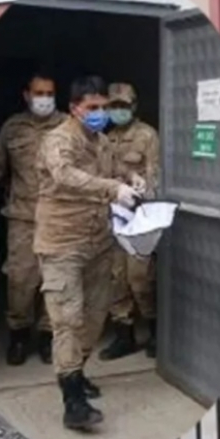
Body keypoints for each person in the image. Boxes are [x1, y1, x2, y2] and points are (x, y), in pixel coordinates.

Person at [33, 75, 140, 431]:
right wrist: (113, 188)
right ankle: (73, 401)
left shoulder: (103, 142)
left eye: (103, 107)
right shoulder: (58, 140)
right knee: (67, 319)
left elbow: (117, 169)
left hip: (98, 243)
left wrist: (132, 179)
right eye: (92, 107)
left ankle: (76, 372)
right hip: (61, 243)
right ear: (74, 108)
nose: (99, 113)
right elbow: (64, 175)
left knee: (95, 316)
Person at [0, 72, 68, 366]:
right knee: (20, 279)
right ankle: (18, 335)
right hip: (23, 218)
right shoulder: (13, 128)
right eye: (39, 93)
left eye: (50, 93)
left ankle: (48, 337)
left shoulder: (68, 126)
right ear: (27, 95)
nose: (45, 99)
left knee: (55, 279)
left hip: (60, 217)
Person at [98, 82, 161, 361]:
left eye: (123, 106)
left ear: (133, 107)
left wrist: (143, 198)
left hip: (139, 218)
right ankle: (124, 335)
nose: (118, 111)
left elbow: (154, 175)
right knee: (116, 279)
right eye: (113, 106)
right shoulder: (105, 138)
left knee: (140, 278)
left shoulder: (147, 135)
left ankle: (156, 332)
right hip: (112, 218)